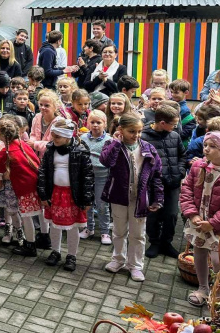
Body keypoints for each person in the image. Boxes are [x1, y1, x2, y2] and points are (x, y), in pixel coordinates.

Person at [100, 113, 163, 282]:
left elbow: (157, 175)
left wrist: (158, 198)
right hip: (118, 197)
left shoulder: (148, 148)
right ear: (121, 130)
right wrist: (116, 142)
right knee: (119, 231)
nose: (136, 135)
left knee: (138, 234)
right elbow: (106, 161)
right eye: (131, 131)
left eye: (139, 131)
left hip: (140, 198)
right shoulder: (112, 144)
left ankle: (135, 265)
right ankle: (118, 260)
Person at [180, 131, 220, 306]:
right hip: (199, 220)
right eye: (206, 145)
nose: (206, 149)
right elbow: (187, 191)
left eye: (213, 146)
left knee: (218, 259)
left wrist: (213, 223)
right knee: (199, 252)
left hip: (219, 225)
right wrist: (192, 214)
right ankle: (203, 288)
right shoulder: (198, 166)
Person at [37, 118, 94, 272]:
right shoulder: (50, 150)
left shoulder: (80, 152)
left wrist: (87, 198)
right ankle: (56, 251)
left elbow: (87, 177)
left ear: (68, 136)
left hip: (72, 196)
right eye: (52, 136)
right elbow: (42, 172)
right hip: (55, 193)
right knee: (54, 226)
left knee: (72, 227)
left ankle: (71, 255)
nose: (53, 139)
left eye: (57, 137)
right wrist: (43, 194)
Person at [142, 102, 186, 259]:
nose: (175, 126)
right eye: (173, 124)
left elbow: (183, 155)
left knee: (172, 215)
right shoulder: (144, 137)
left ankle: (166, 243)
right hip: (153, 186)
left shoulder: (174, 136)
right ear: (162, 123)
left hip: (173, 184)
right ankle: (154, 242)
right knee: (153, 215)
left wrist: (180, 171)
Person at [0, 119, 43, 257]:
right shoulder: (22, 144)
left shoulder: (7, 151)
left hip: (23, 189)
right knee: (31, 217)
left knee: (27, 218)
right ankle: (31, 242)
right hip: (32, 185)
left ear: (4, 135)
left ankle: (30, 245)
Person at [79, 110, 112, 244]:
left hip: (102, 177)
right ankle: (89, 228)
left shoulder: (109, 140)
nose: (95, 125)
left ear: (105, 124)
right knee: (87, 204)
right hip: (86, 176)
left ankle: (105, 232)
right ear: (88, 123)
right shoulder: (83, 138)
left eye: (99, 122)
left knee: (102, 205)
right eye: (92, 122)